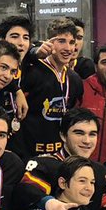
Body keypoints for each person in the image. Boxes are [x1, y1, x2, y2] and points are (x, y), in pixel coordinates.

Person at [13, 17, 85, 157]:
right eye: (61, 41)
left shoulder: (75, 79)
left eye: (71, 42)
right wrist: (34, 52)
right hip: (30, 153)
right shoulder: (31, 71)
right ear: (49, 42)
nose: (68, 48)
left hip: (61, 155)